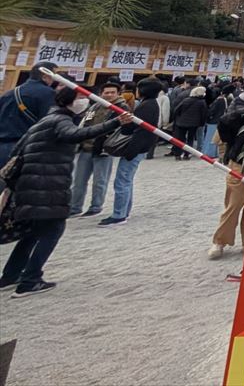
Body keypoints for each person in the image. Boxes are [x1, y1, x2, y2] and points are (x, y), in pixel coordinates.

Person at [0, 84, 132, 294]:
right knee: (54, 229)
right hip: (47, 183)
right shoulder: (61, 120)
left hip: (31, 182)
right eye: (80, 97)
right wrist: (115, 122)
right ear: (70, 99)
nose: (84, 101)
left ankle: (11, 275)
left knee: (33, 231)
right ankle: (30, 280)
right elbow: (75, 135)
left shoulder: (45, 120)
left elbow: (18, 149)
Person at [207, 90, 244, 259]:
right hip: (239, 165)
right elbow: (224, 123)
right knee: (234, 204)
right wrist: (233, 144)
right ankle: (219, 241)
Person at [100, 77, 162, 226]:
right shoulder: (150, 104)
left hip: (136, 147)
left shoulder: (146, 106)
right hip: (139, 147)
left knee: (122, 180)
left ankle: (119, 214)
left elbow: (140, 131)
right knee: (126, 180)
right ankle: (123, 211)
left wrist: (131, 150)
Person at [68, 81, 127, 216]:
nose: (109, 95)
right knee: (79, 180)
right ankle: (75, 206)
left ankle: (96, 206)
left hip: (104, 149)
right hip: (86, 147)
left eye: (113, 92)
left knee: (100, 181)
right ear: (101, 93)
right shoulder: (94, 106)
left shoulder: (122, 108)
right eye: (107, 92)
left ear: (118, 94)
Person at [0, 63, 60, 168]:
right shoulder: (47, 93)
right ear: (45, 76)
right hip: (26, 147)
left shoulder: (9, 93)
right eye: (54, 75)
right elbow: (48, 122)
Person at [171, 85, 208, 159]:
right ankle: (187, 154)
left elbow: (176, 110)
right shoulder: (202, 102)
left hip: (181, 122)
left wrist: (177, 118)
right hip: (194, 123)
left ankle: (178, 154)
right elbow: (203, 114)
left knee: (180, 138)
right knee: (190, 139)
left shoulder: (186, 100)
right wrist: (202, 123)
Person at [202, 84, 235, 157]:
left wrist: (208, 116)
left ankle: (209, 153)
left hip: (213, 121)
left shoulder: (219, 100)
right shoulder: (229, 100)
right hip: (221, 121)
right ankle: (214, 153)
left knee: (210, 138)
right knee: (217, 138)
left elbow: (212, 111)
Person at [146, 78, 172, 160]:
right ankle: (149, 154)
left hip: (148, 119)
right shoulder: (164, 98)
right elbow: (165, 111)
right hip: (158, 120)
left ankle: (145, 153)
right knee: (153, 138)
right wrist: (165, 123)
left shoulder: (150, 95)